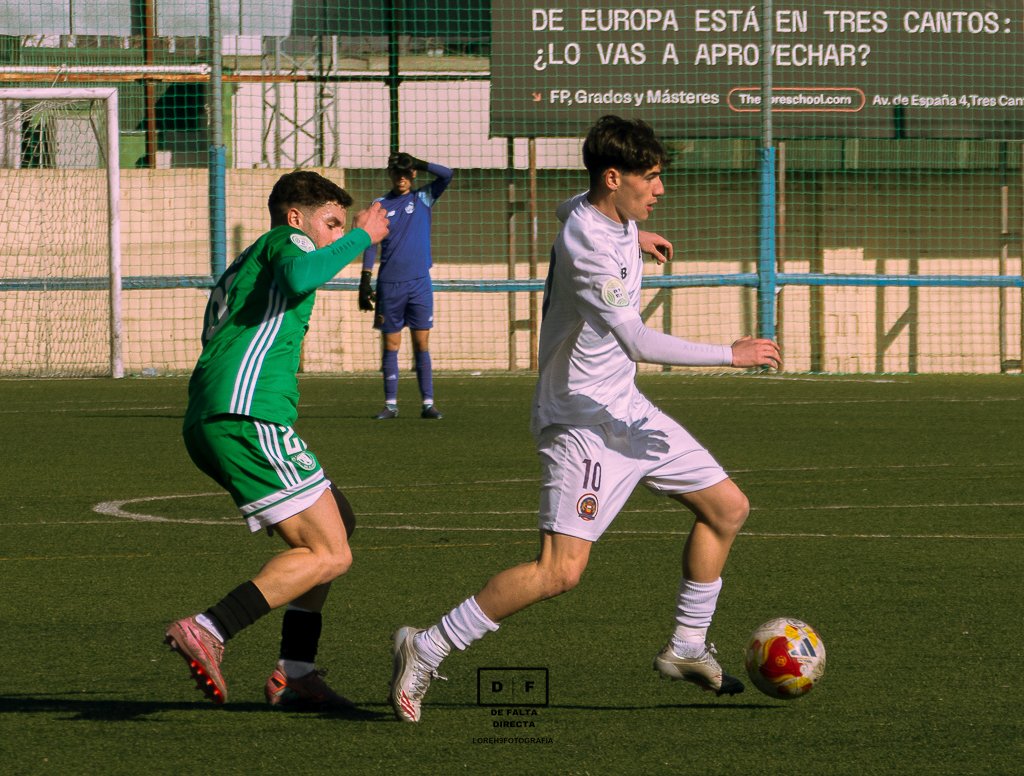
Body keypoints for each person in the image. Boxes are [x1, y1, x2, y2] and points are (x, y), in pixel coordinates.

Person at [388, 115, 782, 723]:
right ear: (614, 177)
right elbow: (638, 341)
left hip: (623, 407)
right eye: (650, 180)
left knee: (728, 508)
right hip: (580, 423)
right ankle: (428, 644)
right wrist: (731, 354)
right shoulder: (590, 245)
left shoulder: (603, 210)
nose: (660, 191)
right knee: (559, 571)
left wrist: (639, 236)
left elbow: (574, 204)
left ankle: (686, 644)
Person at [165, 170, 389, 710]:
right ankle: (210, 628)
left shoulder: (248, 262)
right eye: (330, 223)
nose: (336, 235)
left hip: (224, 415)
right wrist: (364, 236)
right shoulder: (286, 241)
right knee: (331, 553)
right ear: (296, 217)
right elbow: (299, 277)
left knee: (340, 520)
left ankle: (297, 672)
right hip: (245, 415)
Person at [358, 151, 453, 420]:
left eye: (405, 173)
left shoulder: (422, 198)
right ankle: (390, 404)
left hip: (419, 282)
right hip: (390, 284)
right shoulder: (379, 205)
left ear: (412, 174)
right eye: (396, 173)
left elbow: (448, 174)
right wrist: (365, 278)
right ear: (389, 175)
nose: (401, 178)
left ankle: (428, 403)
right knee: (391, 344)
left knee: (421, 343)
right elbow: (370, 243)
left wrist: (420, 163)